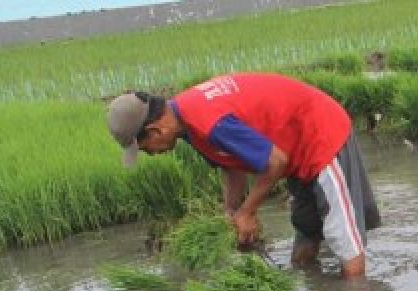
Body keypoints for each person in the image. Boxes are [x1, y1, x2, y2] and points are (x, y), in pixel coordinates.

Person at [106, 73, 380, 278]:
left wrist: (247, 213)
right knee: (307, 228)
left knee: (343, 237)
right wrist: (231, 211)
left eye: (145, 148)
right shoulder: (186, 124)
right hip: (292, 145)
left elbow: (275, 162)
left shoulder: (207, 120)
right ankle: (313, 288)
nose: (150, 154)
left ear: (156, 131)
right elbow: (232, 164)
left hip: (320, 134)